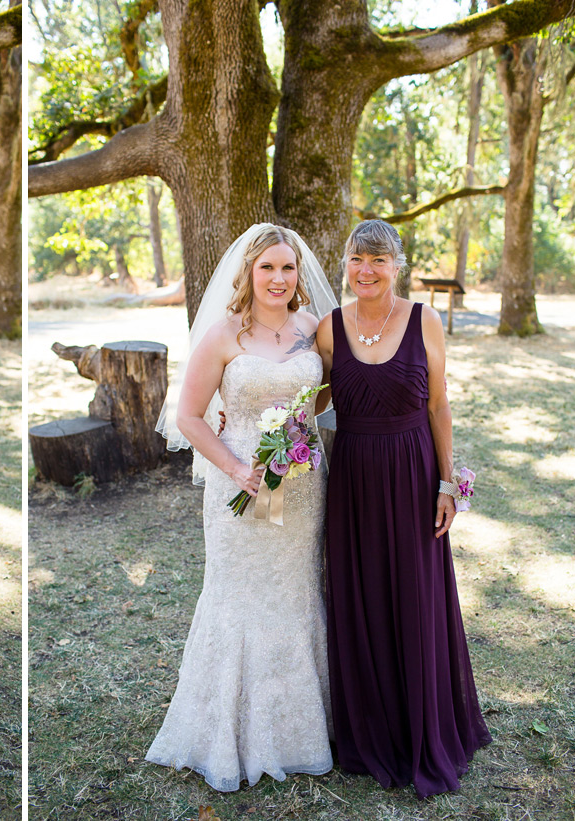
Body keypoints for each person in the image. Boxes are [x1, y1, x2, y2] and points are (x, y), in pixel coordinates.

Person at [147, 223, 339, 790]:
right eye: (267, 268)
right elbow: (187, 417)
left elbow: (323, 391)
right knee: (238, 594)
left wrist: (298, 429)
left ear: (298, 274)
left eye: (287, 268)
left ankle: (298, 729)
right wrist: (236, 468)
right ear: (248, 273)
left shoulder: (313, 330)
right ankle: (226, 732)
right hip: (240, 486)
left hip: (302, 486)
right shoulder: (224, 334)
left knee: (296, 590)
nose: (278, 279)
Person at [315, 219, 491, 798]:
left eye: (378, 260)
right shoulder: (328, 329)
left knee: (414, 596)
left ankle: (422, 727)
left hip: (414, 475)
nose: (366, 271)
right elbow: (302, 398)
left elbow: (439, 405)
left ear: (398, 265)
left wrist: (447, 482)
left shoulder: (424, 321)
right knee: (363, 595)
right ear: (346, 264)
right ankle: (372, 730)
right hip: (355, 480)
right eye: (356, 260)